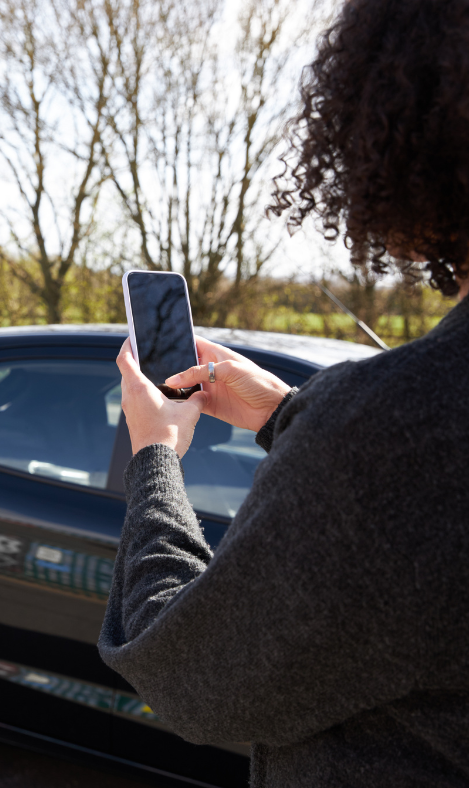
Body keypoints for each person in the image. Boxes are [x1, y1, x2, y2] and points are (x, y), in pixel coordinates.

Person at [97, 1, 469, 786]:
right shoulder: (376, 432)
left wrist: (155, 455)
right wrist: (293, 412)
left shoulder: (388, 438)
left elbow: (189, 674)